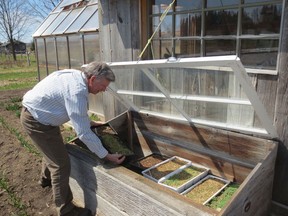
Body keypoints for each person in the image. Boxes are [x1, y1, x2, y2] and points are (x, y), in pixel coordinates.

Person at [20, 62, 125, 216]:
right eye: (103, 86)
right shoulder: (77, 91)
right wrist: (106, 155)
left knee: (53, 151)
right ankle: (66, 210)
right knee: (60, 164)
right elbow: (83, 133)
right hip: (37, 121)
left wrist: (90, 122)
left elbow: (74, 111)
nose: (104, 90)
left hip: (43, 116)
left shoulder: (76, 76)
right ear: (92, 79)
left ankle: (45, 179)